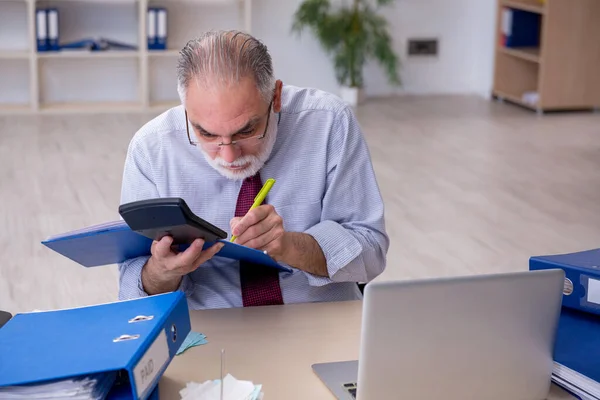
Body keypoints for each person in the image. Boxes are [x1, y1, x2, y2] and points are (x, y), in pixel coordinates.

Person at [118, 30, 389, 309]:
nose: (229, 154)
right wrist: (162, 272)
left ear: (277, 97)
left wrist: (288, 246)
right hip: (206, 327)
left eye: (246, 130)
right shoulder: (151, 149)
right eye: (207, 134)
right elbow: (131, 291)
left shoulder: (329, 122)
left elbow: (371, 252)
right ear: (186, 109)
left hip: (316, 315)